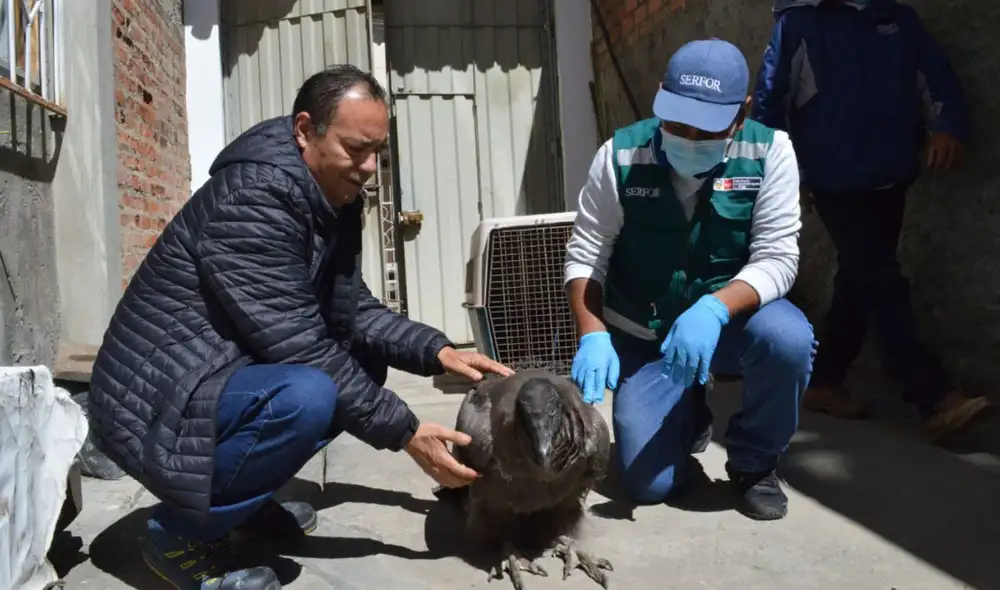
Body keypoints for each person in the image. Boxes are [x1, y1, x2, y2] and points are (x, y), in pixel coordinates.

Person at [87, 65, 513, 590]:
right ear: (305, 130)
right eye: (356, 149)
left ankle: (240, 504)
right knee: (308, 395)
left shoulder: (325, 195)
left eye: (377, 151)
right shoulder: (254, 199)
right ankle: (178, 535)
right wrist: (406, 432)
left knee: (362, 363)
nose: (369, 168)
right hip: (153, 397)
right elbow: (302, 346)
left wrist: (437, 351)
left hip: (214, 368)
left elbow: (351, 310)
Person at [565, 39, 813, 521]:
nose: (690, 138)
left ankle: (755, 462)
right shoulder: (619, 156)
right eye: (678, 124)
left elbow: (778, 257)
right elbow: (587, 252)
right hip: (646, 331)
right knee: (648, 485)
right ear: (661, 95)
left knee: (787, 340)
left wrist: (714, 308)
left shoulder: (770, 152)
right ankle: (689, 411)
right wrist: (592, 333)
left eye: (708, 129)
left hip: (726, 324)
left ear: (742, 112)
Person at [752, 0, 995, 441]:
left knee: (859, 277)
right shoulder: (798, 23)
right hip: (833, 179)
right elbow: (770, 105)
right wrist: (785, 174)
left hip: (892, 171)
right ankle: (932, 395)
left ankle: (825, 380)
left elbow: (935, 74)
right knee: (882, 280)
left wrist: (948, 125)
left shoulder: (897, 18)